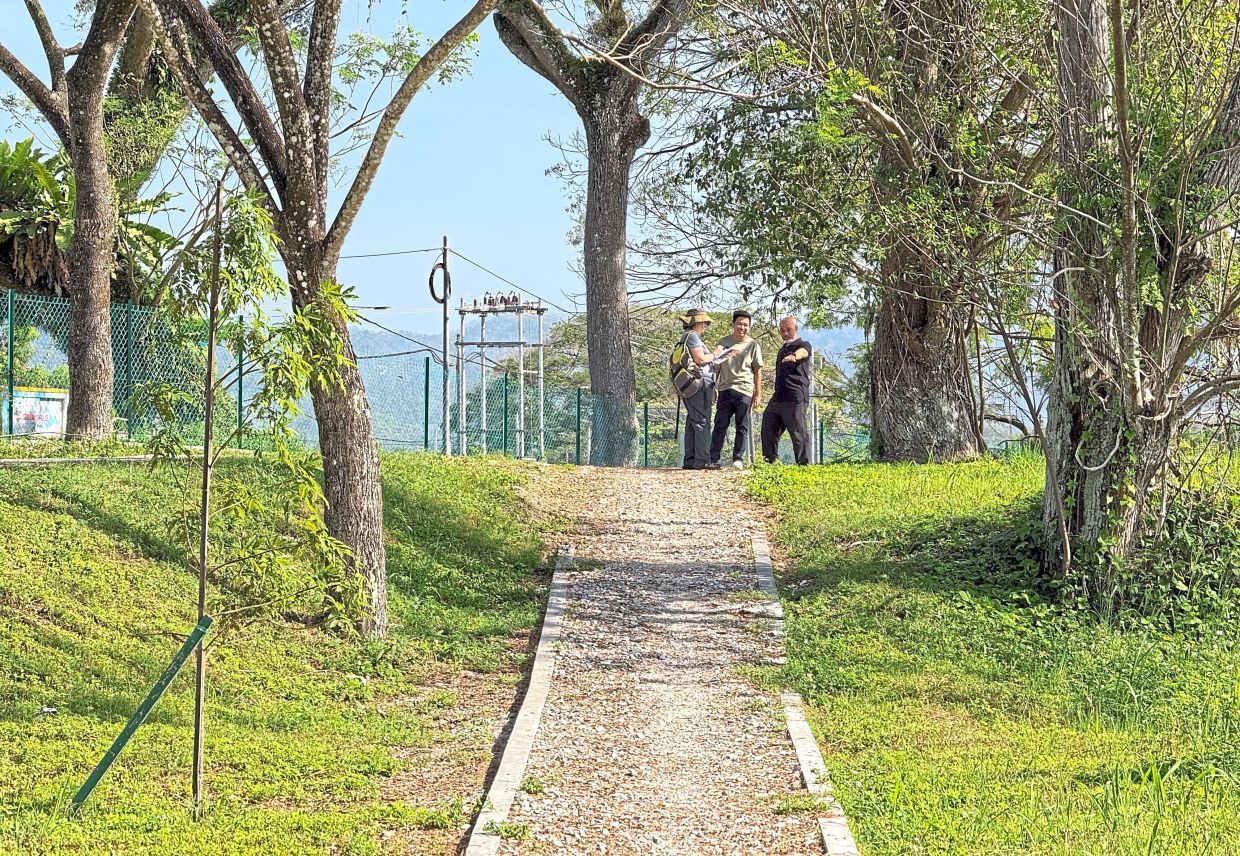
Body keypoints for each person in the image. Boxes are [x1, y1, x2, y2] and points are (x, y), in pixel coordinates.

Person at [709, 310, 763, 470]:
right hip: (725, 388)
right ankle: (714, 459)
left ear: (750, 326)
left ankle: (738, 458)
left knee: (742, 425)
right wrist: (713, 387)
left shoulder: (753, 345)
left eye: (746, 325)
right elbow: (717, 367)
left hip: (745, 389)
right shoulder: (723, 342)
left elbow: (758, 371)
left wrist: (757, 394)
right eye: (739, 324)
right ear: (733, 324)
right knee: (720, 424)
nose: (742, 327)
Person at [677, 309, 730, 470]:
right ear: (697, 322)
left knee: (693, 421)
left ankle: (690, 460)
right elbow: (700, 359)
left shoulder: (685, 337)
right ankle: (702, 460)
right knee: (702, 421)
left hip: (692, 385)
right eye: (704, 323)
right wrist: (716, 353)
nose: (705, 326)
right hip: (699, 385)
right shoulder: (692, 336)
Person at [761, 315, 813, 465]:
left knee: (798, 433)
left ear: (796, 329)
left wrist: (794, 356)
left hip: (795, 397)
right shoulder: (782, 349)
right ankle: (769, 462)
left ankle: (804, 465)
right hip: (778, 397)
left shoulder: (803, 344)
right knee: (768, 428)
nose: (785, 333)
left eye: (788, 329)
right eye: (782, 330)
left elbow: (804, 352)